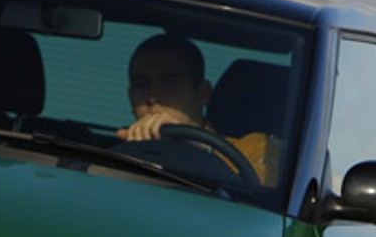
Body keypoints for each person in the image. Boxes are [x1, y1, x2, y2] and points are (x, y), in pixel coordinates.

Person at [116, 33, 282, 186]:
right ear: (131, 96)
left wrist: (192, 147)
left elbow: (261, 198)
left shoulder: (256, 147)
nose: (153, 97)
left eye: (170, 82)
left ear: (203, 93)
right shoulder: (111, 152)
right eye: (141, 84)